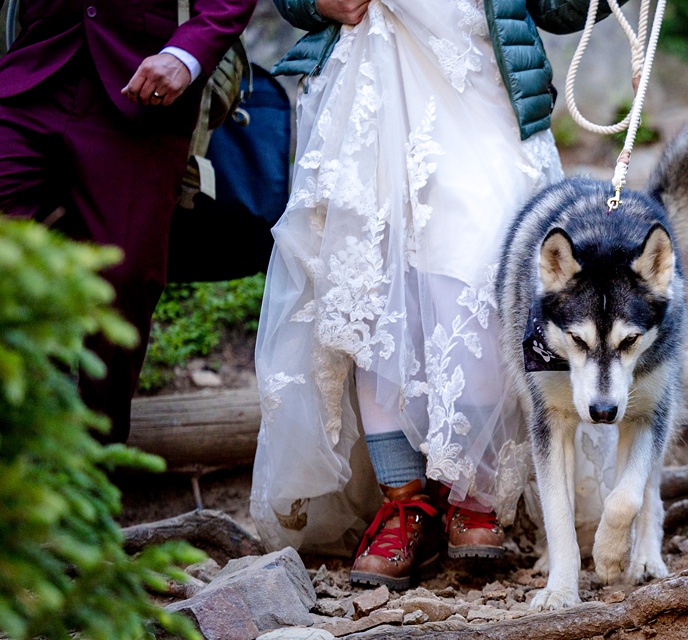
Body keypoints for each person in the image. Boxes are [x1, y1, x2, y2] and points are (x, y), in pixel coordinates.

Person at [251, 0, 621, 589]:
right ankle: (405, 500)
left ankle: (472, 491)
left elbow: (559, 8)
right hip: (372, 78)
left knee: (484, 277)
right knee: (369, 284)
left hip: (482, 82)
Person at [0, 0, 257, 442]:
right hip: (30, 73)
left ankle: (98, 471)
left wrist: (184, 55)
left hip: (143, 93)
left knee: (125, 280)